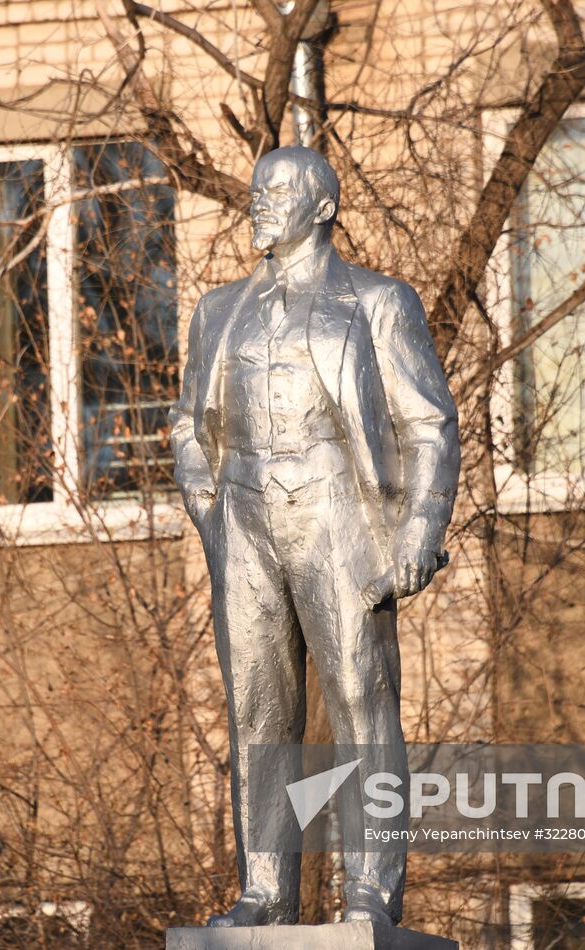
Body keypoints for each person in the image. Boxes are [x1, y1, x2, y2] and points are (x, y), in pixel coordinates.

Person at [169, 145, 460, 927]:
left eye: (279, 191)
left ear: (323, 205)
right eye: (256, 190)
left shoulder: (375, 302)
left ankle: (370, 889)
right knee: (259, 710)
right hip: (243, 516)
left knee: (361, 700)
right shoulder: (216, 310)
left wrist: (418, 531)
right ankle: (264, 891)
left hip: (338, 513)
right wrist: (209, 510)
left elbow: (429, 423)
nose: (260, 203)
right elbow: (191, 426)